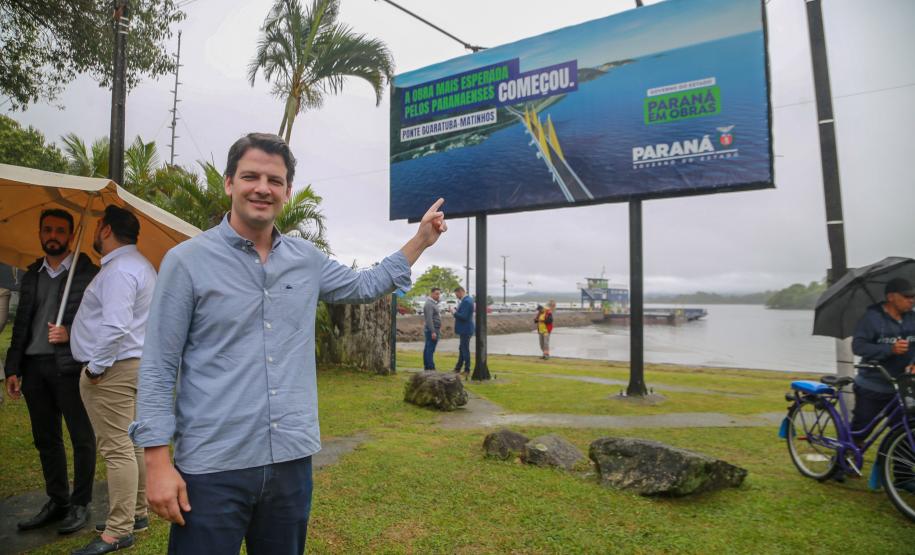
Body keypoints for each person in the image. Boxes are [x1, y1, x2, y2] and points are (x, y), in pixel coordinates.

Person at [128, 132, 446, 554]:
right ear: (229, 183)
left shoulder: (306, 259)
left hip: (290, 463)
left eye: (274, 180)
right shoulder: (186, 262)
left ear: (287, 191)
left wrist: (421, 239)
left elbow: (366, 284)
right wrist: (156, 462)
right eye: (251, 176)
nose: (262, 188)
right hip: (211, 467)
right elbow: (159, 364)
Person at [4, 209, 98, 534]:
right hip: (33, 368)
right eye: (48, 230)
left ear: (71, 235)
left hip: (70, 368)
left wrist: (70, 331)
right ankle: (58, 500)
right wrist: (12, 367)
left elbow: (102, 321)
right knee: (46, 439)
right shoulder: (32, 275)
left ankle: (81, 503)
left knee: (82, 438)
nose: (53, 235)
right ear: (40, 233)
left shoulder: (88, 274)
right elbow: (21, 326)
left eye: (60, 230)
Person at [69, 206, 156, 555]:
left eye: (96, 226)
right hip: (133, 365)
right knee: (131, 444)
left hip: (114, 369)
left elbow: (116, 326)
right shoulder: (141, 266)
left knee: (117, 448)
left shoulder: (120, 271)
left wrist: (95, 368)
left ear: (105, 229)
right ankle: (136, 514)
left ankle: (119, 530)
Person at [851, 277, 915, 433]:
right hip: (872, 386)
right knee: (862, 430)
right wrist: (889, 349)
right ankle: (845, 455)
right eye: (907, 297)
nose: (911, 300)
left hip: (902, 387)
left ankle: (893, 457)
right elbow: (858, 347)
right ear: (891, 297)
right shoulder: (872, 319)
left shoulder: (912, 318)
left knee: (903, 433)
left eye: (913, 297)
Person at [452, 286, 474, 379]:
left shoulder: (466, 301)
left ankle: (467, 370)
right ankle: (458, 368)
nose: (456, 296)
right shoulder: (467, 300)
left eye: (456, 294)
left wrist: (454, 312)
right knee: (462, 349)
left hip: (465, 329)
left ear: (460, 292)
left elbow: (464, 316)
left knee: (464, 349)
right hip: (465, 329)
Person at [423, 287, 442, 371]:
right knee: (430, 349)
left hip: (434, 329)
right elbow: (429, 319)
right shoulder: (429, 304)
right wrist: (433, 331)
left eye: (439, 294)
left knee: (428, 348)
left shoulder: (433, 303)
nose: (438, 295)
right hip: (432, 329)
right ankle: (430, 367)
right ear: (432, 293)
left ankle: (428, 367)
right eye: (436, 294)